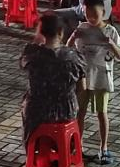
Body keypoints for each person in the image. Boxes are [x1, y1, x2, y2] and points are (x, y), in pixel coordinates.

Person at [68, 0, 120, 166]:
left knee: (102, 113)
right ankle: (78, 146)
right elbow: (67, 49)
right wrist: (72, 37)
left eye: (95, 14)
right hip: (83, 78)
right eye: (87, 14)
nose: (91, 18)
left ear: (103, 12)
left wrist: (110, 44)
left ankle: (104, 147)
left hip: (102, 77)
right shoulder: (82, 28)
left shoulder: (110, 31)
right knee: (80, 112)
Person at [19, 11, 85, 146]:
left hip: (37, 112)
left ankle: (33, 154)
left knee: (27, 108)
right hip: (65, 112)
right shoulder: (74, 57)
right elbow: (82, 87)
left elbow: (23, 64)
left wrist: (37, 41)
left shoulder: (32, 54)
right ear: (61, 32)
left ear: (40, 32)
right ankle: (66, 152)